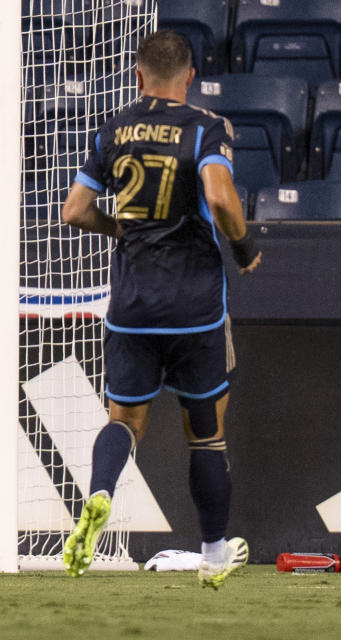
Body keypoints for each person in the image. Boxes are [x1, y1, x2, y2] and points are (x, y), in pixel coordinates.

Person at [59, 30, 262, 589]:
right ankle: (215, 554)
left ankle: (99, 494)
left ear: (139, 75)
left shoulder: (113, 129)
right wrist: (244, 249)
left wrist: (115, 226)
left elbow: (74, 211)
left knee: (123, 420)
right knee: (206, 432)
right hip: (195, 306)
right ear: (190, 77)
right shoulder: (206, 126)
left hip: (131, 304)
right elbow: (220, 198)